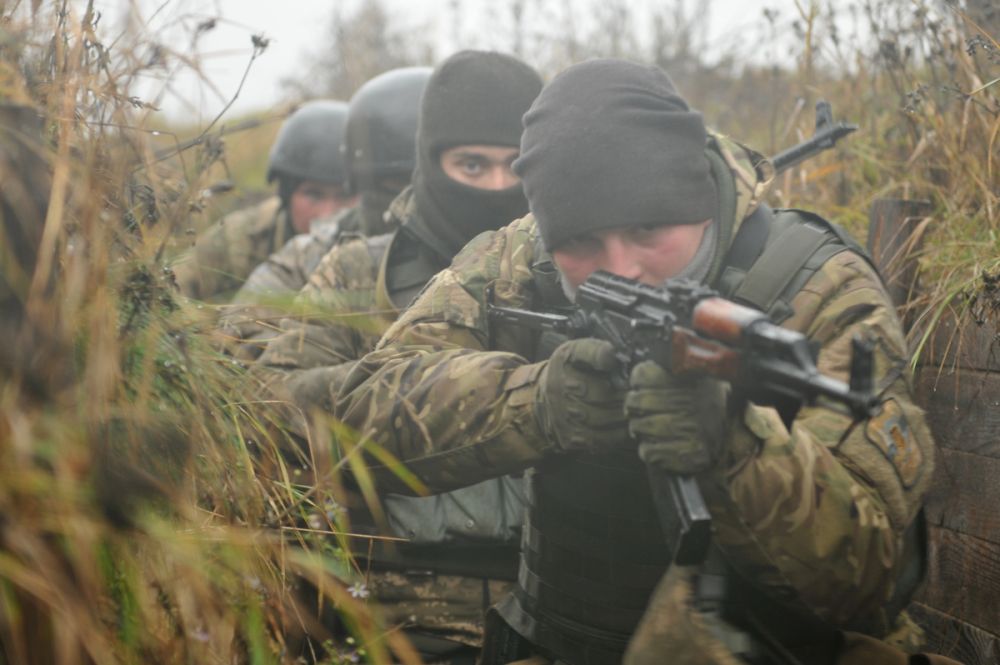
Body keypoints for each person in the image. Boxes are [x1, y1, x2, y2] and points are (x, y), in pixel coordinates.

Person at [330, 60, 938, 665]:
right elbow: (361, 414)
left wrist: (735, 446)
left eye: (648, 228)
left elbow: (870, 575)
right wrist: (538, 402)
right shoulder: (523, 257)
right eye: (583, 242)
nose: (621, 268)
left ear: (700, 202)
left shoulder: (818, 286)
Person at [258, 51, 544, 664]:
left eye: (516, 164)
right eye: (472, 164)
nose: (498, 187)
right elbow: (272, 404)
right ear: (430, 162)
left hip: (548, 617)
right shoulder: (359, 273)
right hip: (388, 619)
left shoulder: (579, 269)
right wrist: (423, 392)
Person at [218, 68, 431, 354]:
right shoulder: (316, 251)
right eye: (395, 185)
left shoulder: (489, 253)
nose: (326, 211)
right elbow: (242, 341)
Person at [172, 100, 355, 301]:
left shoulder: (377, 248)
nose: (327, 213)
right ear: (286, 194)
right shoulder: (239, 239)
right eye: (314, 195)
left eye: (345, 195)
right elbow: (170, 294)